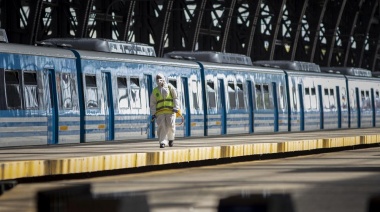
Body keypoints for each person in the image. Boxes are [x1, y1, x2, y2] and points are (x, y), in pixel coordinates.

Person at [150, 73, 180, 148]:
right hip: (160, 112)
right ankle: (162, 142)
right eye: (157, 79)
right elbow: (152, 103)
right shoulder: (155, 91)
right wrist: (153, 113)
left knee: (171, 125)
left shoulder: (170, 87)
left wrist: (176, 107)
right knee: (161, 126)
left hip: (170, 111)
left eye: (160, 78)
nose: (158, 80)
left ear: (163, 79)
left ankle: (171, 139)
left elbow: (175, 97)